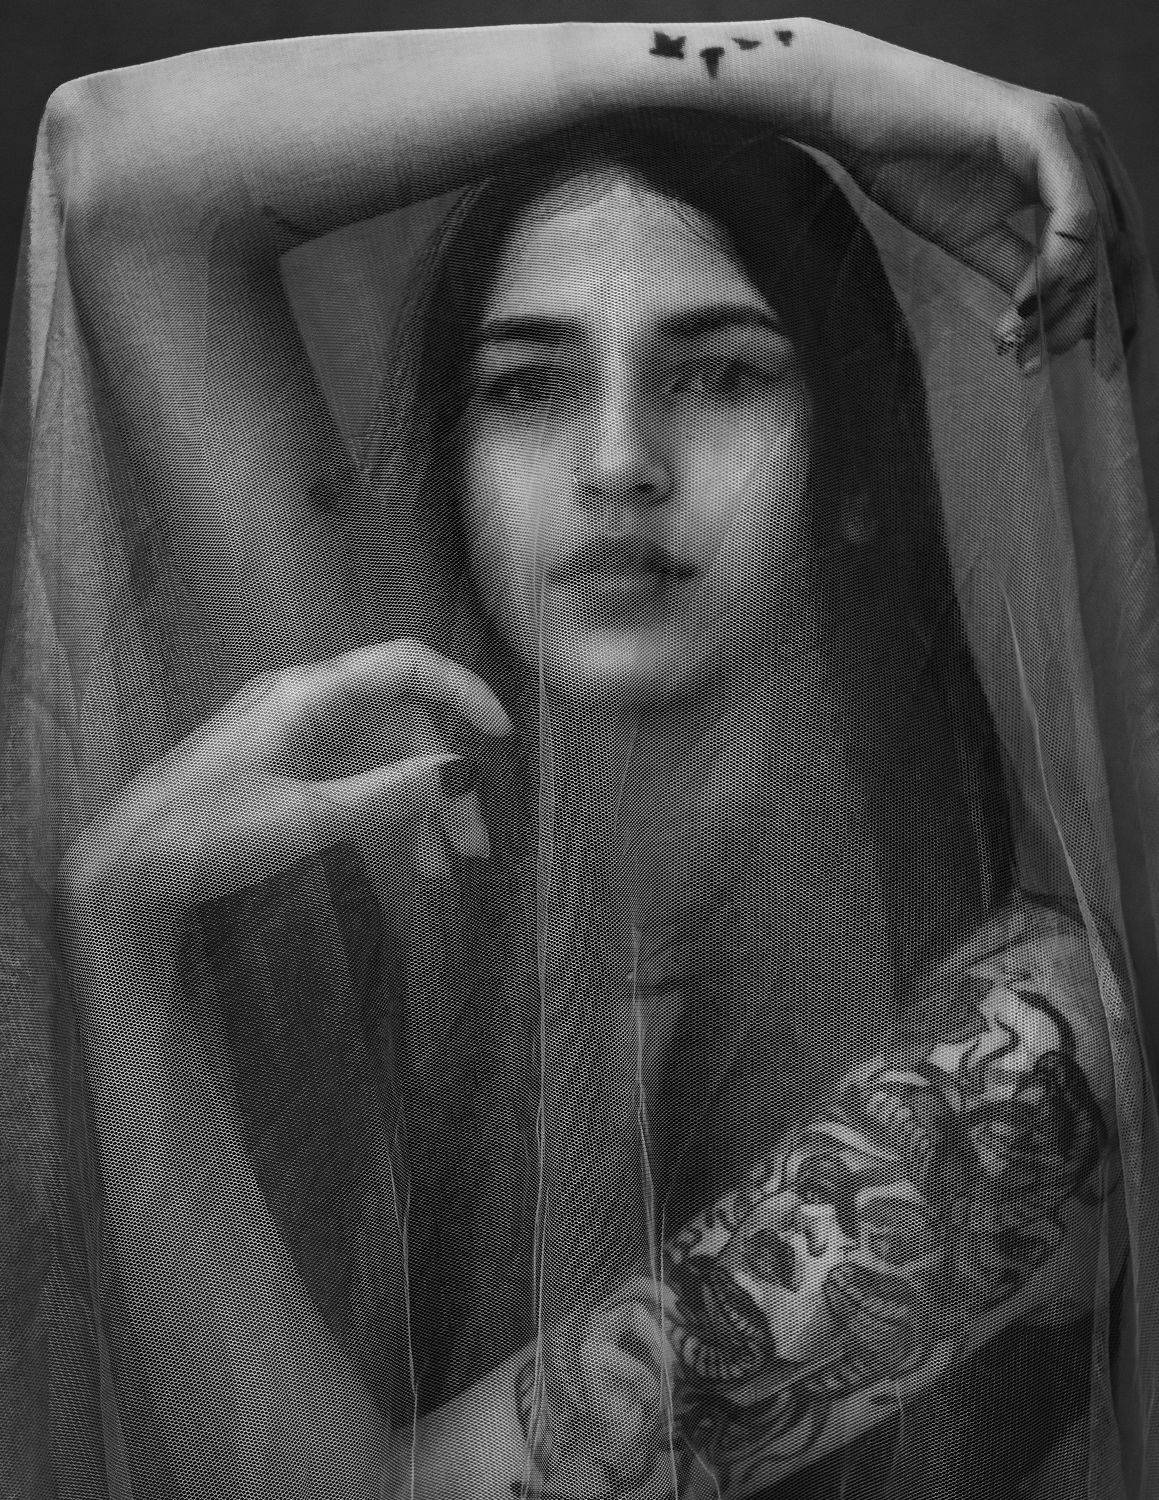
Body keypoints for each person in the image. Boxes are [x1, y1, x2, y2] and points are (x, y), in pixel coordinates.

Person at [5, 17, 1155, 1500]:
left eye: (723, 376)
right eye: (530, 387)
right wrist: (807, 75)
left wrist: (123, 946)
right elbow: (113, 173)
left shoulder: (1018, 1056)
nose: (618, 460)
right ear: (456, 476)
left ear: (855, 474)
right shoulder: (420, 844)